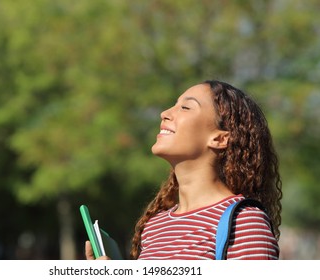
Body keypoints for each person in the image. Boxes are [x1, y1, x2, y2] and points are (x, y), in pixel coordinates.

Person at [85, 80, 282, 260]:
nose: (165, 113)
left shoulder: (245, 222)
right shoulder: (154, 227)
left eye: (185, 107)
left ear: (220, 139)